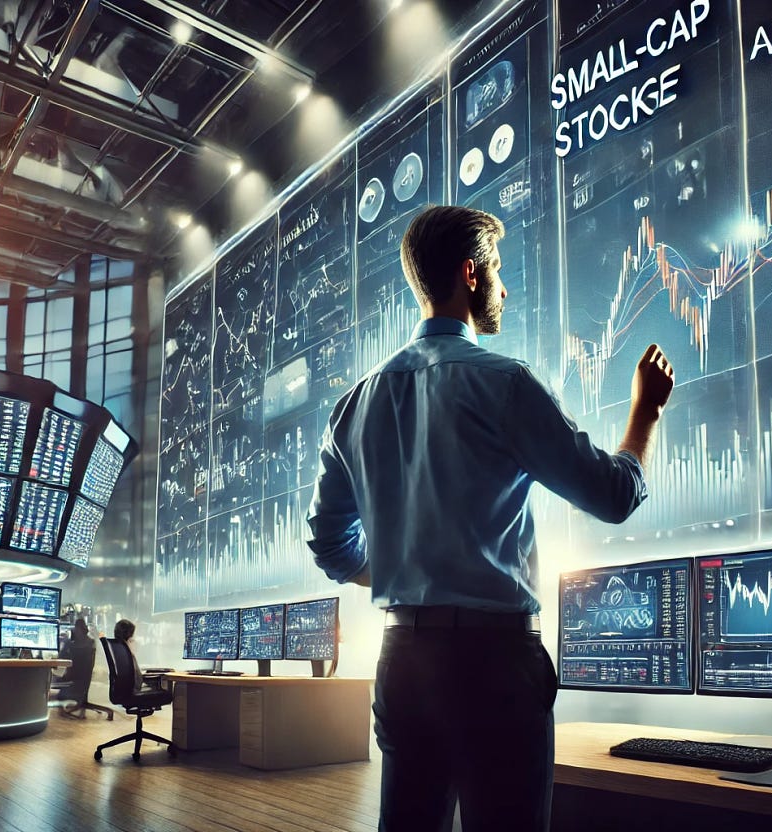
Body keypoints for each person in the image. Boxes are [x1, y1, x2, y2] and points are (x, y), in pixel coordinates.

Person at [306, 205, 674, 831]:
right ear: (470, 275)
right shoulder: (503, 384)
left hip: (402, 660)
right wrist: (645, 414)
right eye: (498, 271)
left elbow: (332, 549)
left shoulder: (354, 404)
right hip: (495, 664)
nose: (505, 288)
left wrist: (403, 567)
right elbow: (612, 496)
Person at [53, 619, 98, 716]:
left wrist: (66, 642)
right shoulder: (91, 642)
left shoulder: (71, 644)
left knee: (51, 680)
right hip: (84, 683)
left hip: (71, 682)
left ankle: (62, 712)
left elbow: (61, 658)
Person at [112, 618, 143, 692]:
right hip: (133, 690)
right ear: (129, 639)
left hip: (119, 691)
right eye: (133, 638)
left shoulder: (116, 651)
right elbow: (138, 680)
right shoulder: (128, 655)